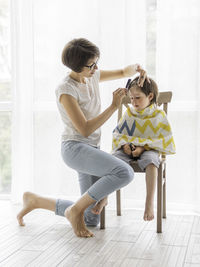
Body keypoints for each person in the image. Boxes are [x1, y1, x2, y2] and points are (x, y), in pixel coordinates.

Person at [17, 38, 148, 238]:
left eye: (97, 63)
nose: (96, 68)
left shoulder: (91, 76)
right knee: (125, 172)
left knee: (91, 219)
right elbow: (84, 129)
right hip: (75, 149)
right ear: (77, 67)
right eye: (91, 65)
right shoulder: (66, 90)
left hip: (91, 149)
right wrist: (114, 106)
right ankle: (74, 210)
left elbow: (123, 72)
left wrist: (136, 68)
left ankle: (36, 201)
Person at [112, 76, 176, 221]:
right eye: (131, 98)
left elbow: (164, 138)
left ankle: (149, 202)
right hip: (128, 149)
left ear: (150, 96)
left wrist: (143, 147)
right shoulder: (129, 113)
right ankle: (103, 197)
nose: (133, 102)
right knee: (112, 160)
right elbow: (118, 133)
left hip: (150, 149)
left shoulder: (159, 115)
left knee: (152, 162)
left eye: (137, 98)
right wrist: (125, 145)